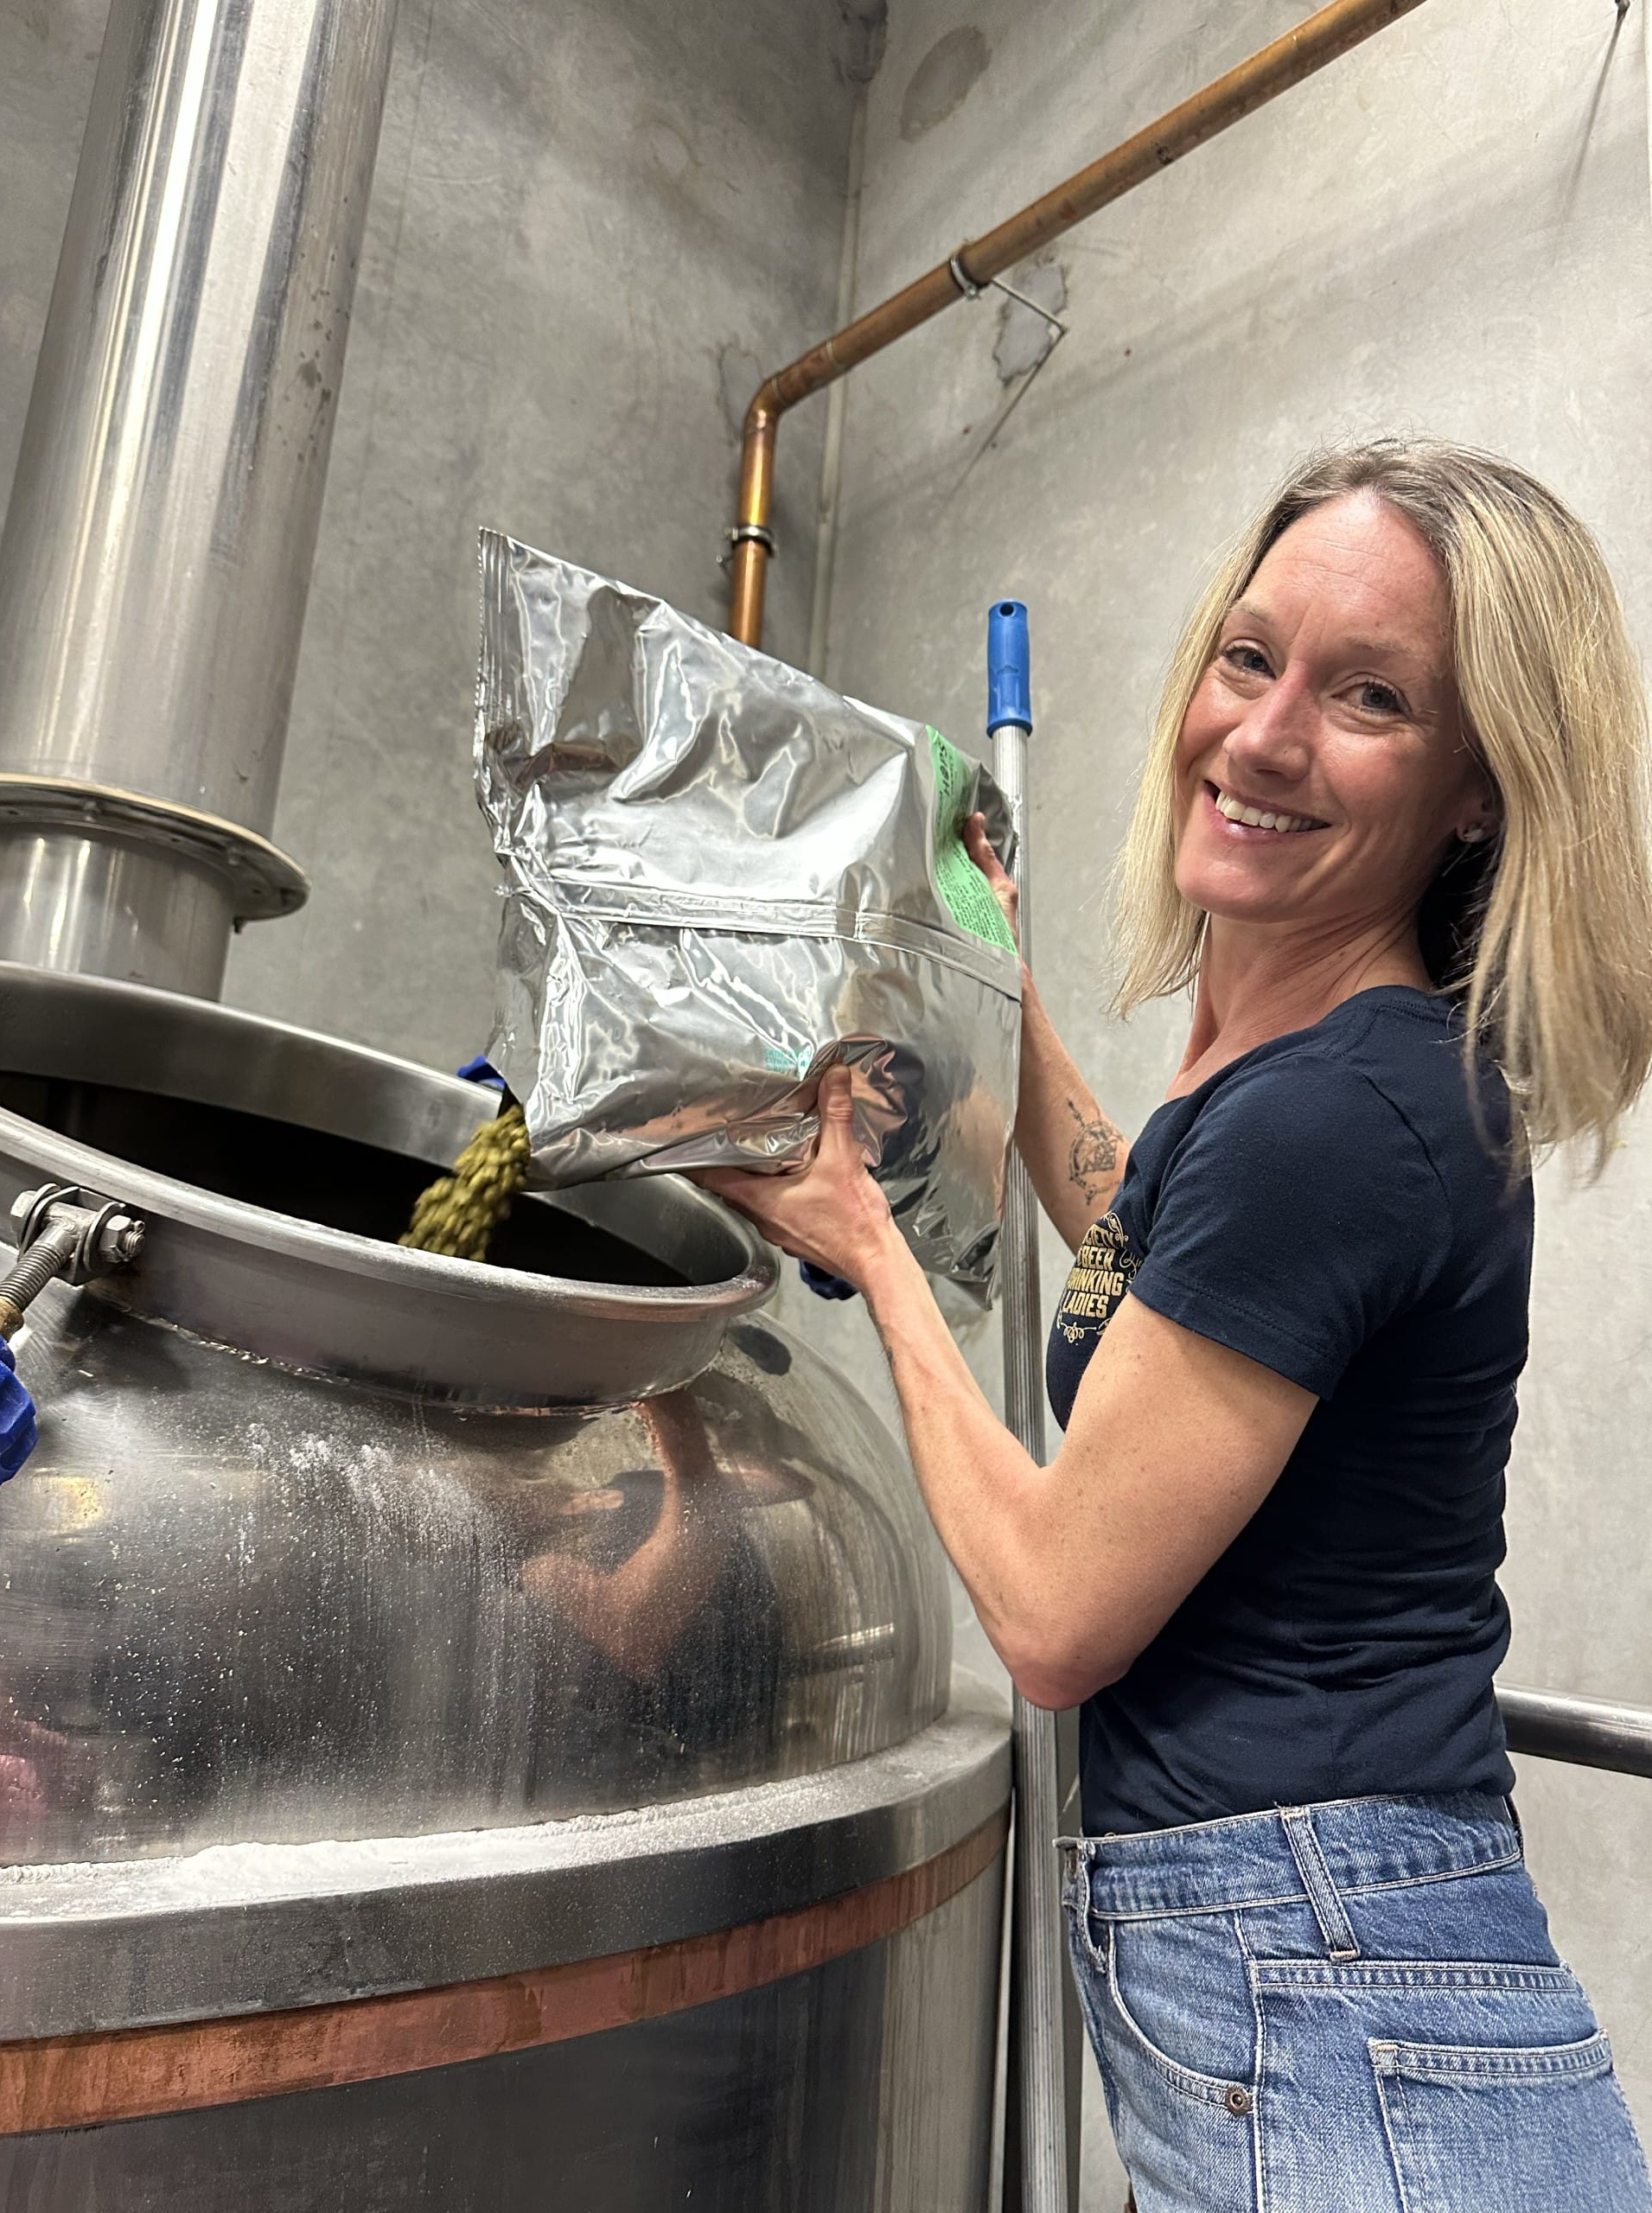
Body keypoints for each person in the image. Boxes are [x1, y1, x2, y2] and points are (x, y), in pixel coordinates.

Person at [697, 441, 1652, 2211]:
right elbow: (1156, 1242)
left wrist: (873, 1259)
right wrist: (996, 996)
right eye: (1250, 656)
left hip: (1324, 1961)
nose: (1266, 735)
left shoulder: (1333, 1119)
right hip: (1338, 1956)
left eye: (1367, 697)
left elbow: (1056, 1611)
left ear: (1473, 791)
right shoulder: (1320, 1075)